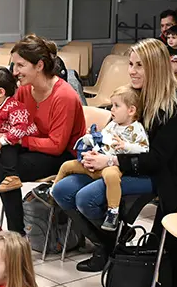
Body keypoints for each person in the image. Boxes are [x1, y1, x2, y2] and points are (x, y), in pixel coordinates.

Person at [52, 39, 177, 287]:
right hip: (115, 164)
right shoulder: (131, 93)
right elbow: (111, 133)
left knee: (86, 198)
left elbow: (157, 159)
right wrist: (96, 153)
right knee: (62, 190)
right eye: (131, 64)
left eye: (140, 65)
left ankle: (108, 246)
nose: (132, 71)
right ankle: (111, 240)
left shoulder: (174, 104)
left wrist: (111, 159)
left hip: (155, 173)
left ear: (156, 68)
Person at [0, 35, 85, 237]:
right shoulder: (24, 90)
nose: (14, 71)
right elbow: (11, 120)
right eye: (14, 65)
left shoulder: (64, 96)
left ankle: (17, 236)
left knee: (3, 169)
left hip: (61, 156)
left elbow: (56, 145)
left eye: (20, 65)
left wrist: (15, 139)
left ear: (39, 65)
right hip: (31, 146)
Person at [53, 85, 149, 232]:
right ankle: (52, 192)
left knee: (111, 177)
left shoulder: (136, 129)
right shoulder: (112, 125)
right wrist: (90, 143)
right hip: (98, 161)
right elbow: (101, 139)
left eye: (116, 106)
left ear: (131, 110)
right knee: (67, 166)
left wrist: (126, 146)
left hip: (113, 165)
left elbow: (144, 149)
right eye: (112, 105)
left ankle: (113, 211)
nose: (112, 109)